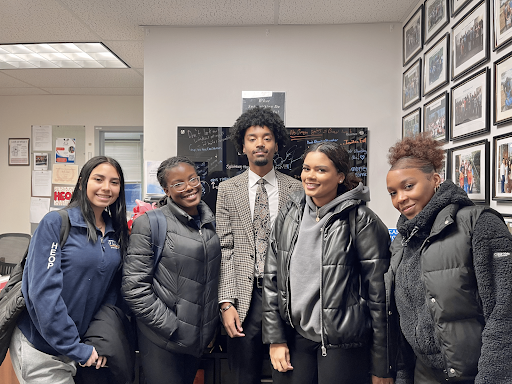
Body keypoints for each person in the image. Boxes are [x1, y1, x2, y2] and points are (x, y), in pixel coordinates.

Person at [262, 142, 393, 384]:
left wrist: (381, 366)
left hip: (343, 344)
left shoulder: (361, 221)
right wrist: (275, 338)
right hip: (294, 338)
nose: (310, 176)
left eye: (321, 170)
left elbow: (379, 298)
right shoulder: (289, 214)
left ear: (340, 176)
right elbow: (271, 278)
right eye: (306, 168)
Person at [385, 134, 512, 384]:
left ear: (435, 180)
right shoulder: (403, 241)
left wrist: (492, 377)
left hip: (476, 374)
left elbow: (504, 309)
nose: (400, 199)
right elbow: (404, 316)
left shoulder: (478, 223)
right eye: (392, 192)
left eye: (408, 186)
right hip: (424, 373)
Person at [9, 156, 129, 384]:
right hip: (42, 345)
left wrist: (98, 340)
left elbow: (110, 295)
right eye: (99, 179)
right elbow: (43, 292)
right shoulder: (56, 223)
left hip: (82, 345)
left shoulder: (116, 231)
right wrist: (72, 346)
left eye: (114, 182)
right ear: (83, 182)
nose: (106, 187)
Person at [217, 106, 302, 384]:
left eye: (266, 137)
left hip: (287, 298)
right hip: (245, 297)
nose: (260, 144)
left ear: (276, 144)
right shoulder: (228, 190)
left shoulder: (297, 189)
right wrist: (226, 302)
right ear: (243, 146)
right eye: (252, 138)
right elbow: (225, 248)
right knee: (243, 377)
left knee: (287, 374)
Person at [122, 156, 221, 384]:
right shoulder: (150, 223)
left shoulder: (210, 222)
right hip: (162, 339)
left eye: (192, 179)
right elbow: (134, 288)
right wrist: (173, 327)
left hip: (197, 339)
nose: (188, 187)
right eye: (178, 184)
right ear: (166, 190)